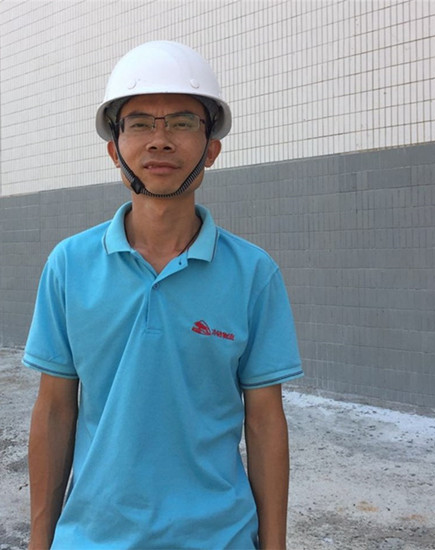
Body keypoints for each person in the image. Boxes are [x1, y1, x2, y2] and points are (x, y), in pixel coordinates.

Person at [23, 40, 303, 550]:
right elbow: (55, 411)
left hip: (219, 538)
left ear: (211, 148)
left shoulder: (253, 273)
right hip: (92, 538)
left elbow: (265, 421)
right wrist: (39, 542)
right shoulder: (69, 265)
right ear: (115, 149)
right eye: (139, 124)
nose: (160, 141)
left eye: (181, 122)